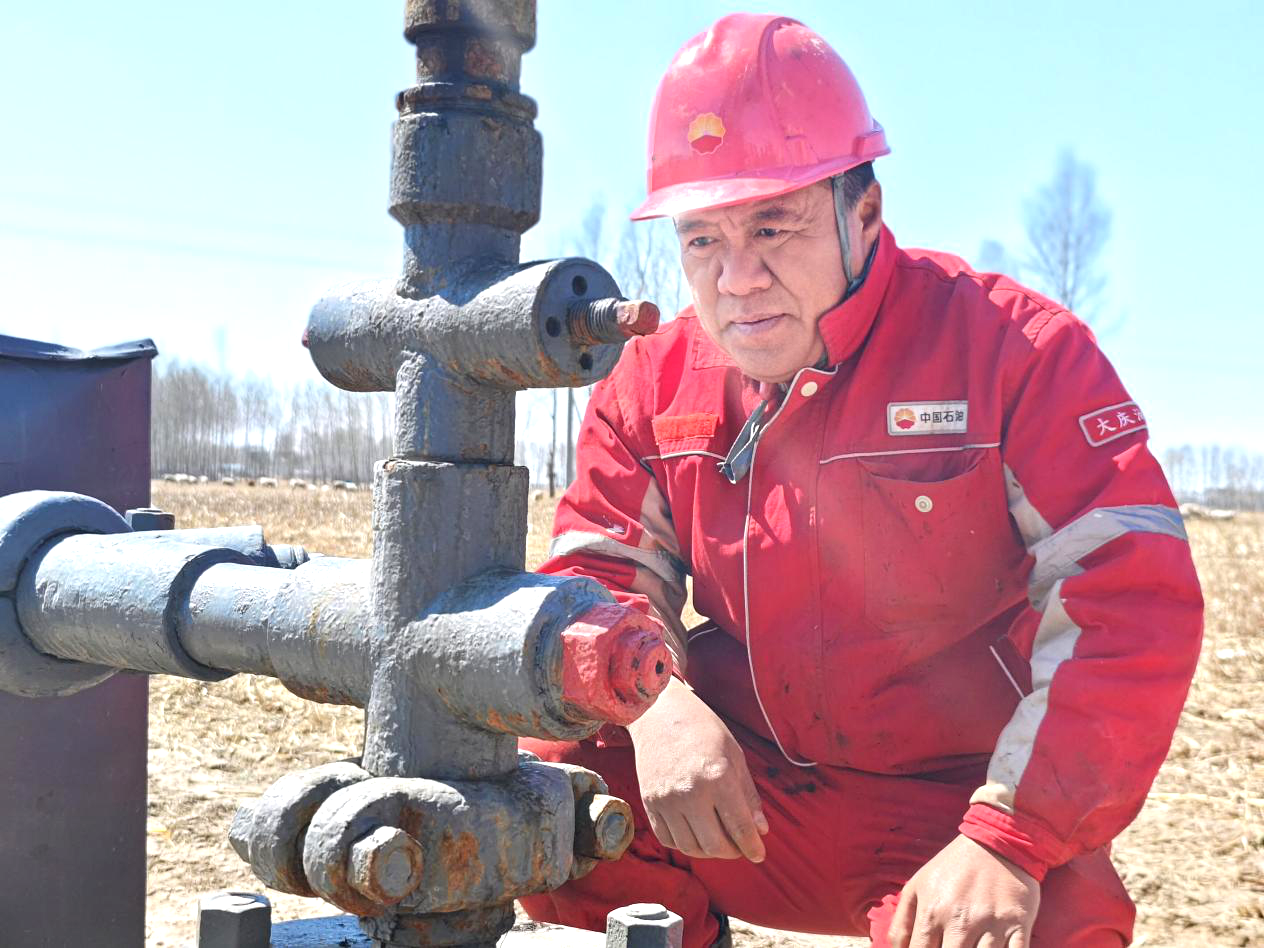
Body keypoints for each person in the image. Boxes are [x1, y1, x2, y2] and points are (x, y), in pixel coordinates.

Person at [520, 13, 1203, 948]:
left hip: (950, 806)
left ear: (865, 213)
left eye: (774, 225)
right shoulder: (654, 378)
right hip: (744, 784)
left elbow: (1129, 605)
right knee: (556, 789)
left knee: (1057, 920)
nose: (739, 278)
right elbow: (593, 575)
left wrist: (1013, 837)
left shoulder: (1013, 353)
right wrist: (654, 704)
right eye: (703, 239)